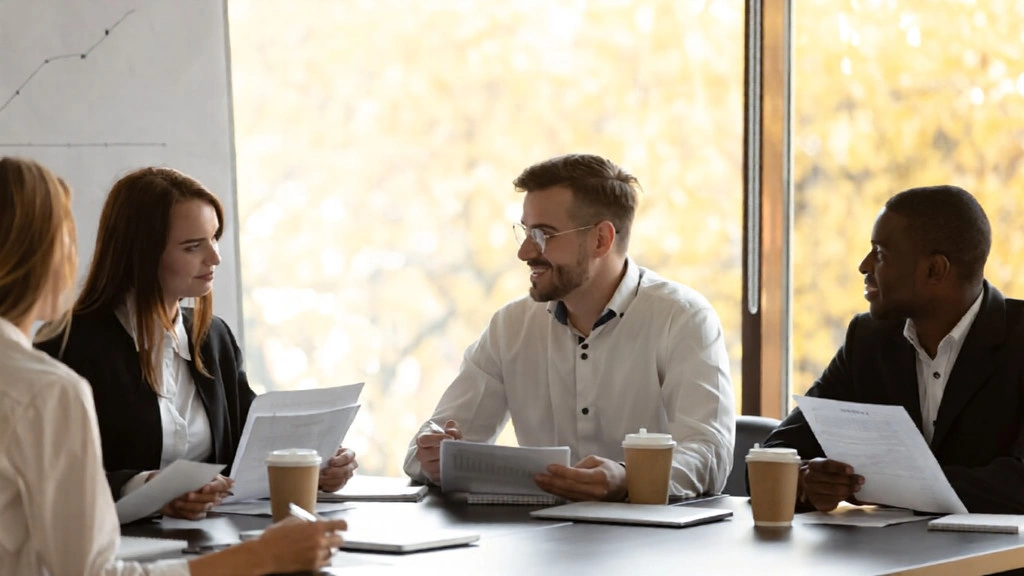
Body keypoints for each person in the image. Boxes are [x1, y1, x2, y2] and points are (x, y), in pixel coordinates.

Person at [0, 156, 346, 574]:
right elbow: (67, 499)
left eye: (215, 238)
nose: (214, 258)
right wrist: (148, 488)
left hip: (205, 542)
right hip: (141, 554)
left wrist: (314, 462)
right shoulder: (61, 360)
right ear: (142, 255)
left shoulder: (212, 337)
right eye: (192, 246)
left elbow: (247, 446)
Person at [404, 153, 735, 501]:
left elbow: (709, 453)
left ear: (601, 240)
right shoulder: (511, 327)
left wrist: (629, 478)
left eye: (543, 234)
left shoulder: (683, 318)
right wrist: (433, 455)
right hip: (538, 531)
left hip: (646, 531)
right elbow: (422, 452)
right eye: (525, 232)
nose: (524, 252)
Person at [762, 185, 1024, 514]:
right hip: (884, 547)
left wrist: (886, 484)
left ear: (935, 270)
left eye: (881, 254)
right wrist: (805, 480)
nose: (864, 265)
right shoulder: (867, 340)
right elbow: (771, 457)